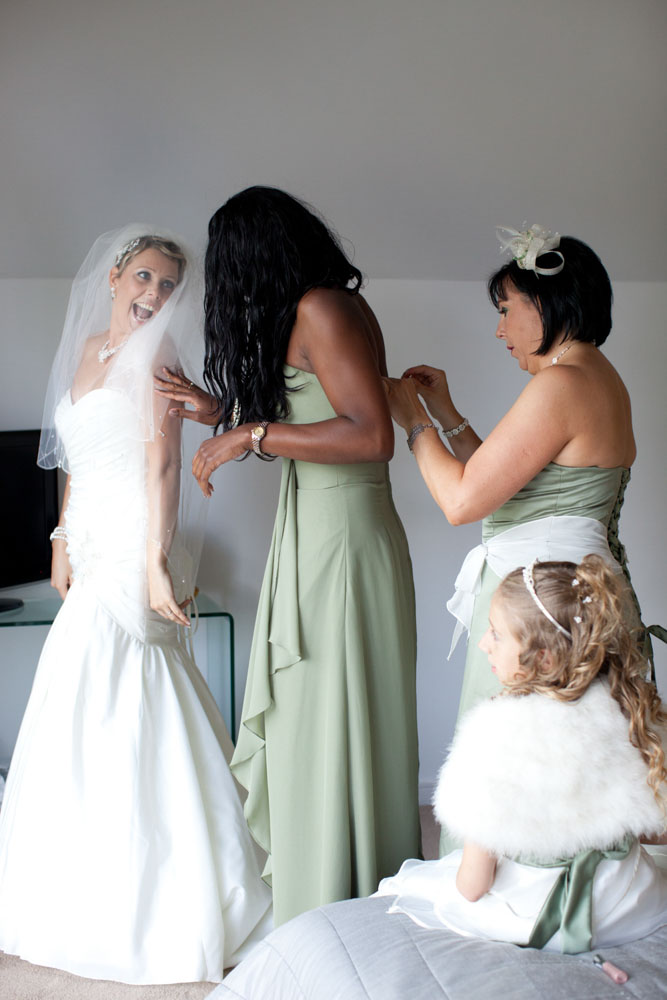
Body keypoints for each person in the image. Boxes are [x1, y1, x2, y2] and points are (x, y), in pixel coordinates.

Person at [0, 226, 271, 985]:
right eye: (145, 279)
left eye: (167, 287)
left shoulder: (161, 364)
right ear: (117, 275)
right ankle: (70, 882)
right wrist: (58, 542)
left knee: (135, 688)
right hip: (86, 544)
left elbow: (162, 468)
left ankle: (163, 890)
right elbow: (73, 460)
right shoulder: (86, 349)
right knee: (76, 698)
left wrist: (155, 563)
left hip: (132, 547)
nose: (153, 296)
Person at [157, 186, 421, 926]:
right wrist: (224, 413)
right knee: (316, 716)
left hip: (342, 538)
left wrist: (248, 437)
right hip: (317, 527)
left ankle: (343, 906)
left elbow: (370, 436)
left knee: (331, 713)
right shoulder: (321, 309)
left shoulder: (322, 308)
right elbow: (313, 412)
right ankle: (328, 900)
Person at [384, 225, 663, 852]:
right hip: (568, 607)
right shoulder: (595, 377)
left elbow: (461, 500)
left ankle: (516, 902)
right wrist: (449, 416)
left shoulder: (561, 385)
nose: (500, 329)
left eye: (507, 310)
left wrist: (413, 423)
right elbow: (506, 486)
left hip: (543, 622)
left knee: (522, 782)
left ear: (548, 304)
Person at [376, 555, 667, 953]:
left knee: (405, 887)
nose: (483, 643)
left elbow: (474, 886)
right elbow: (651, 830)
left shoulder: (496, 734)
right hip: (628, 901)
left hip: (547, 910)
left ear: (543, 658)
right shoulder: (625, 707)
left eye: (495, 633)